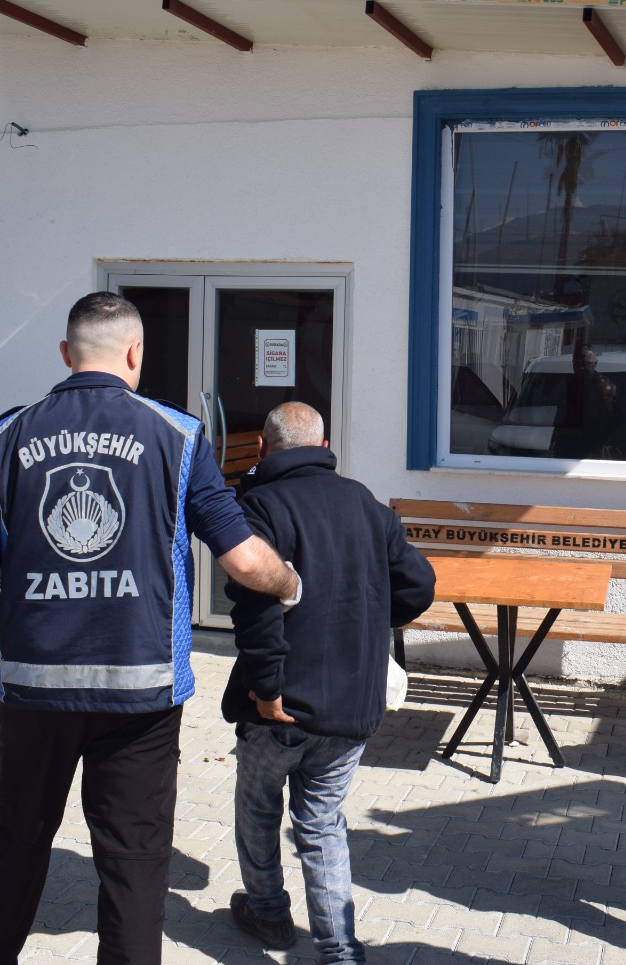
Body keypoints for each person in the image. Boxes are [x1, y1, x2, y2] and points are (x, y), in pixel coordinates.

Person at [0, 292, 303, 965]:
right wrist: (289, 584)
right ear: (135, 352)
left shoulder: (5, 438)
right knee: (134, 859)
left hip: (34, 691)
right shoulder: (178, 436)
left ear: (66, 354)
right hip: (141, 693)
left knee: (20, 838)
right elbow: (240, 558)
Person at [221, 401, 435, 964]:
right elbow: (418, 586)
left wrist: (266, 688)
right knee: (321, 825)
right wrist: (365, 622)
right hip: (350, 705)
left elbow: (256, 609)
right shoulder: (365, 503)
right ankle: (339, 950)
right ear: (324, 446)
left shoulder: (259, 505)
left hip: (281, 705)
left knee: (258, 809)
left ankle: (268, 913)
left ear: (263, 447)